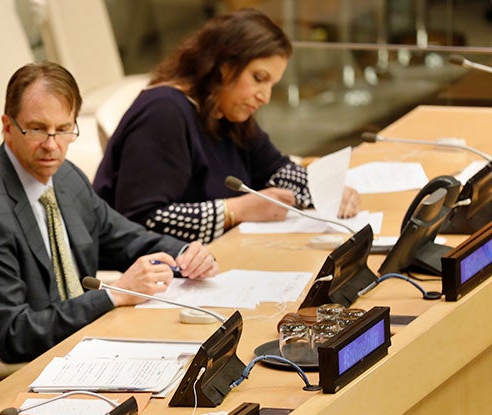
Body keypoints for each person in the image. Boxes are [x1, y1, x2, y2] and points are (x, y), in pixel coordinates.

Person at [0, 61, 219, 364]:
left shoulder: (66, 177)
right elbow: (15, 334)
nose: (52, 145)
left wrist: (186, 253)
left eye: (63, 130)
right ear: (7, 127)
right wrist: (113, 294)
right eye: (37, 129)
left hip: (91, 342)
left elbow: (124, 238)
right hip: (39, 364)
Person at [93, 8, 360, 244]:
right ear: (224, 66)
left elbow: (274, 170)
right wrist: (235, 211)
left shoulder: (226, 110)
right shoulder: (164, 112)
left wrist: (326, 190)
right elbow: (142, 221)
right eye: (258, 78)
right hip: (161, 275)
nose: (264, 97)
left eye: (271, 85)